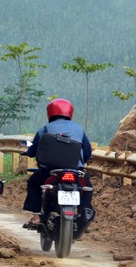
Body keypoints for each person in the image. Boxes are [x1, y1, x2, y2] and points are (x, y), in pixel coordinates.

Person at [23, 98, 93, 228]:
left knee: (33, 182)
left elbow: (33, 150)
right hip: (75, 171)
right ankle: (85, 214)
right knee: (87, 188)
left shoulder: (44, 129)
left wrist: (29, 153)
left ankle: (37, 216)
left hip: (49, 171)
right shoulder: (79, 129)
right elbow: (88, 151)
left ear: (50, 112)